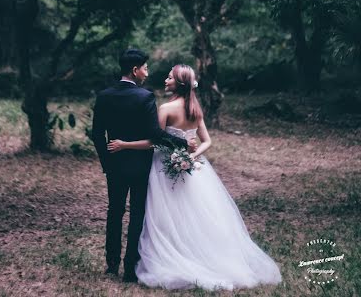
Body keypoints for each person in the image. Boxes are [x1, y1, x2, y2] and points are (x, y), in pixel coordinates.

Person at [107, 63, 282, 291]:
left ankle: (169, 255)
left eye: (169, 78)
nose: (165, 80)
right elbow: (207, 141)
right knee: (191, 214)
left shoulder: (166, 109)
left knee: (163, 214)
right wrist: (190, 156)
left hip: (163, 167)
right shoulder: (195, 109)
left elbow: (155, 141)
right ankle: (195, 253)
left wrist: (125, 144)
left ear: (179, 83)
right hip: (191, 169)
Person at [91, 49, 196, 283]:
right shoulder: (145, 96)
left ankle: (111, 264)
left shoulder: (104, 95)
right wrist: (182, 143)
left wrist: (106, 163)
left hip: (115, 164)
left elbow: (97, 134)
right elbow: (155, 134)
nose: (147, 73)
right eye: (145, 68)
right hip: (140, 165)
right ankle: (130, 268)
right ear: (135, 70)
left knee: (114, 212)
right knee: (137, 213)